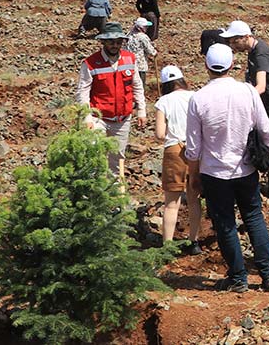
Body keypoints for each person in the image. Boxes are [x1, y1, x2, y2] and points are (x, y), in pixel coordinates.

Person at [185, 43, 269, 293]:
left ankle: (239, 278)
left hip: (214, 172)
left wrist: (194, 175)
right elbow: (266, 129)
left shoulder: (198, 98)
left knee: (225, 222)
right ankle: (268, 274)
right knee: (254, 217)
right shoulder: (247, 91)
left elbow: (193, 147)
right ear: (232, 65)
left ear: (207, 65)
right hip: (246, 168)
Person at [222, 20, 269, 200]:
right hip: (268, 106)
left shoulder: (260, 55)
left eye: (235, 41)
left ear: (246, 37)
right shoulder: (253, 52)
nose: (232, 45)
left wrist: (241, 99)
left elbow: (261, 86)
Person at [76, 22, 146, 185]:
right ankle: (92, 192)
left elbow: (137, 85)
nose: (115, 45)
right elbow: (83, 91)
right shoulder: (91, 63)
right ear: (103, 42)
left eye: (118, 42)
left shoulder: (130, 59)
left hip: (122, 119)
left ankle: (116, 197)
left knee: (117, 157)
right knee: (94, 154)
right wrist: (86, 117)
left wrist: (141, 109)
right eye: (111, 42)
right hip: (97, 117)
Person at [153, 65, 202, 254]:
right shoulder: (195, 96)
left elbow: (159, 134)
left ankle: (167, 246)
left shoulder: (163, 101)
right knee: (194, 198)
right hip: (196, 149)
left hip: (174, 149)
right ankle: (194, 241)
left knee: (171, 203)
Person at [125, 17, 157, 87]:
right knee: (140, 85)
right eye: (145, 27)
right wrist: (155, 52)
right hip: (140, 66)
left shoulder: (129, 35)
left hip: (128, 64)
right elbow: (150, 50)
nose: (147, 28)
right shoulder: (143, 37)